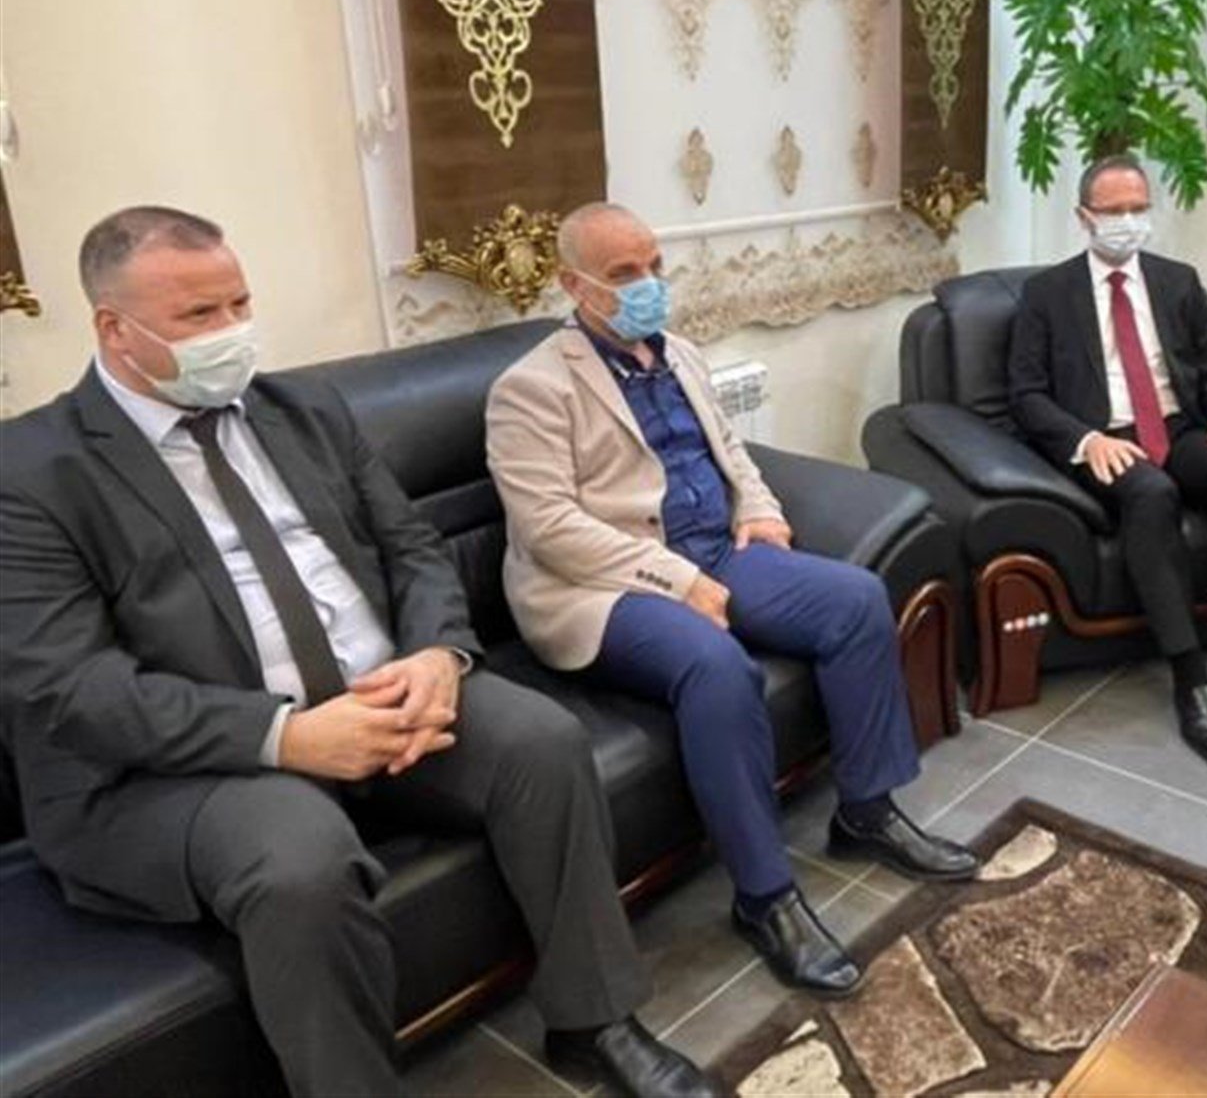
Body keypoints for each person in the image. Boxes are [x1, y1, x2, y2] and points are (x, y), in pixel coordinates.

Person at [0, 207, 716, 1098]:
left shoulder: (299, 411)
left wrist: (439, 657)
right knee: (300, 859)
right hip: (184, 766)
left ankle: (595, 1017)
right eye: (199, 315)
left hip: (381, 695)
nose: (232, 330)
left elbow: (412, 547)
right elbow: (69, 687)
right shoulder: (32, 471)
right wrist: (287, 736)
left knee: (542, 742)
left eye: (239, 303)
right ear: (115, 329)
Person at [484, 202, 978, 998]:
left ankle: (866, 811)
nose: (648, 285)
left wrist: (761, 509)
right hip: (606, 587)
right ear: (573, 285)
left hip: (717, 549)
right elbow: (548, 530)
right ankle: (765, 896)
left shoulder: (678, 351)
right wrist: (677, 579)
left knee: (856, 599)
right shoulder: (531, 388)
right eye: (623, 274)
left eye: (653, 265)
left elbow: (731, 451)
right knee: (716, 666)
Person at [1006, 154, 1207, 769]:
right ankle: (1191, 681)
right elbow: (1026, 394)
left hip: (1179, 428)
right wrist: (1086, 440)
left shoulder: (1178, 281)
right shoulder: (1047, 294)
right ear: (1084, 217)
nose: (1128, 221)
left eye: (1138, 208)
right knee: (1151, 493)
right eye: (1113, 211)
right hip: (1104, 437)